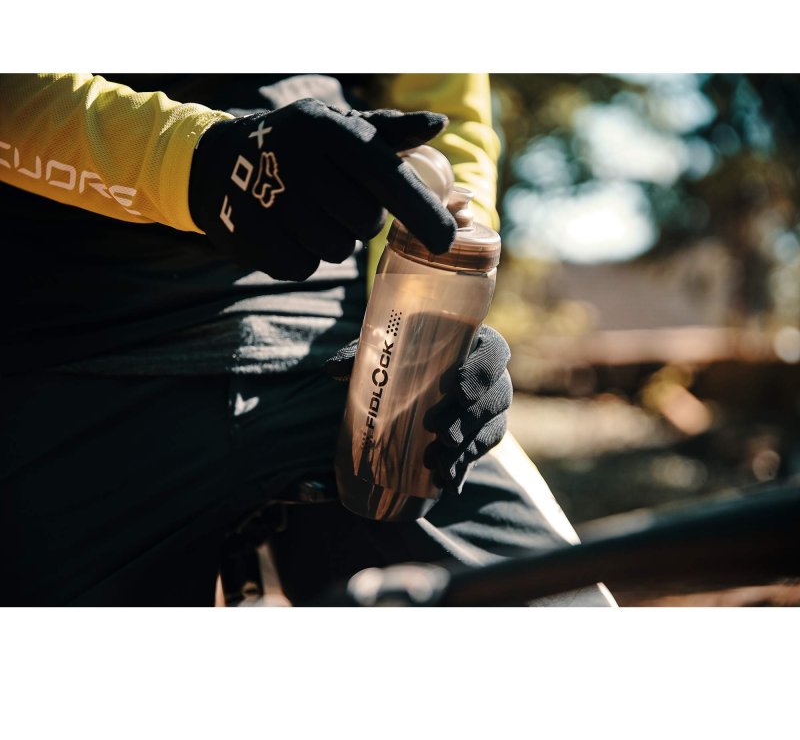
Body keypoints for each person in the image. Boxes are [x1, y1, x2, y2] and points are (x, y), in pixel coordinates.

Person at [0, 73, 614, 606]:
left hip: (343, 362)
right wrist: (199, 159)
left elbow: (448, 120)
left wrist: (426, 310)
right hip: (68, 349)